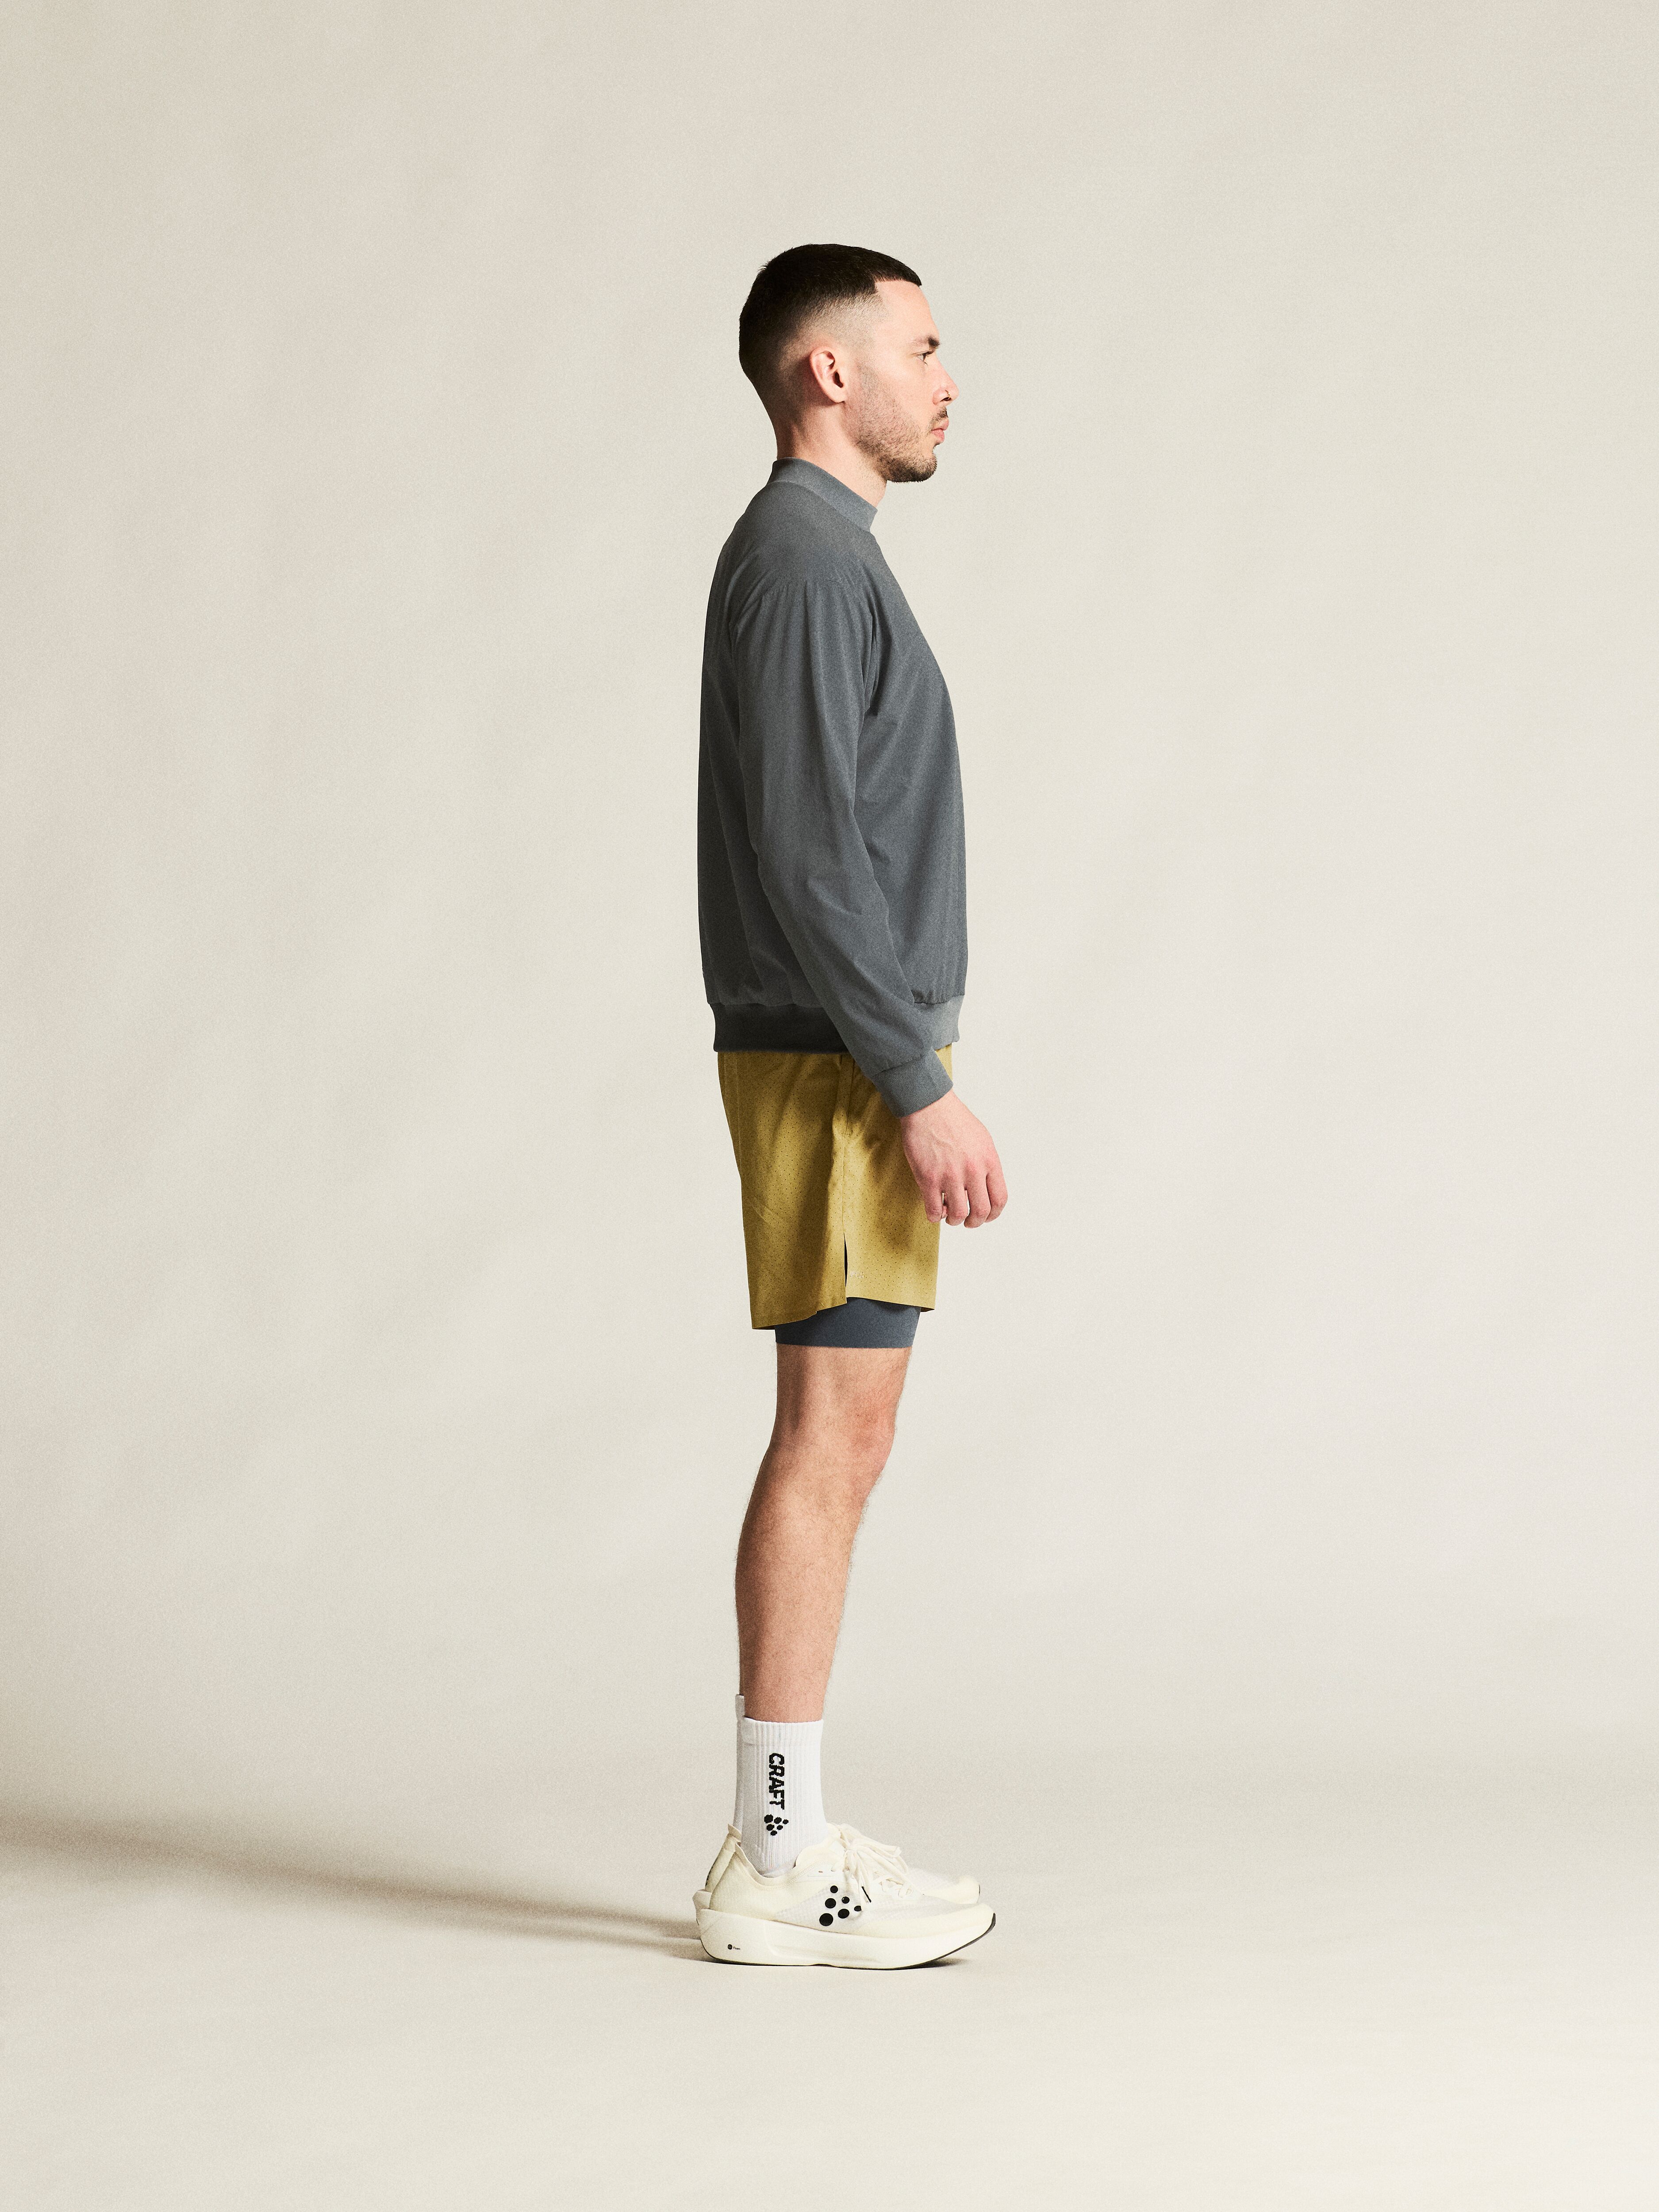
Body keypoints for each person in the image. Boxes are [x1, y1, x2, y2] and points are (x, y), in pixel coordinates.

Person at [693, 244, 1007, 1968]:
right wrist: (914, 1082)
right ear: (831, 372)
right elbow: (814, 855)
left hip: (838, 1049)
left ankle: (782, 1829)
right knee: (831, 1439)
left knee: (844, 1435)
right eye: (924, 346)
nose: (948, 379)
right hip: (834, 1060)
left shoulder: (820, 554)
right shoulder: (807, 558)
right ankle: (775, 1857)